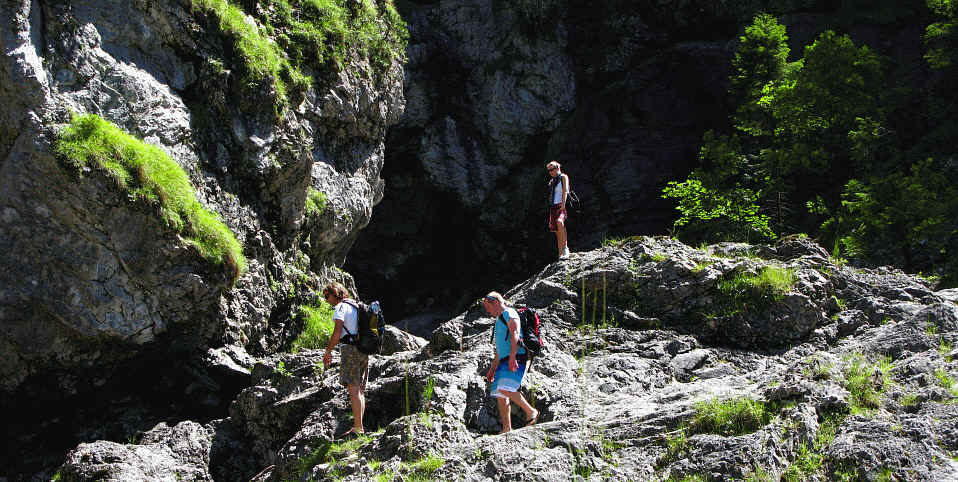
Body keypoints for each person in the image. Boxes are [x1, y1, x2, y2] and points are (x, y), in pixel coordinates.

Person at [482, 291, 538, 434]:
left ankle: (531, 412)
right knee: (500, 394)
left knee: (504, 388)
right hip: (505, 359)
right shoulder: (500, 319)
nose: (488, 312)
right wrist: (492, 369)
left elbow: (514, 334)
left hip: (517, 356)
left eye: (488, 307)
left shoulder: (509, 313)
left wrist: (513, 356)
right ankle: (507, 428)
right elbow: (500, 348)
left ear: (495, 301)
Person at [322, 281, 368, 438]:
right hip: (363, 348)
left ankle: (358, 427)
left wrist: (328, 351)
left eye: (327, 296)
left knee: (353, 390)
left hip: (350, 350)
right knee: (359, 389)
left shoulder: (341, 307)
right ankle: (359, 425)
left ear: (335, 294)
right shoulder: (355, 305)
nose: (326, 300)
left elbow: (337, 331)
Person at [547, 160, 570, 258]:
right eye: (549, 170)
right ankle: (560, 253)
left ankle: (565, 249)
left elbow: (565, 191)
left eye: (552, 169)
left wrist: (563, 204)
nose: (550, 172)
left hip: (562, 204)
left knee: (560, 223)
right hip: (553, 206)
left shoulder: (563, 177)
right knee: (556, 230)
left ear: (557, 168)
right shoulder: (552, 181)